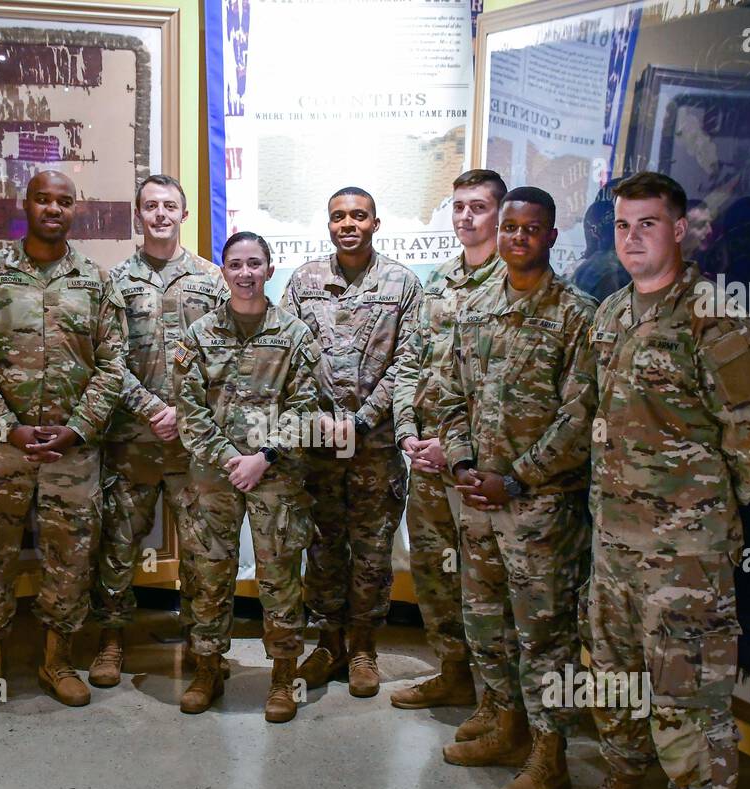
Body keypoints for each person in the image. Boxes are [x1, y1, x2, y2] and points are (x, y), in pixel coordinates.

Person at [542, 172, 750, 789]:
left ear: (680, 229)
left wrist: (706, 508)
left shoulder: (714, 319)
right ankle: (621, 788)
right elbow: (584, 410)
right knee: (612, 678)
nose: (632, 238)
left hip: (684, 555)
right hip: (613, 543)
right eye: (622, 226)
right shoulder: (612, 313)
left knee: (687, 694)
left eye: (648, 224)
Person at [436, 186, 597, 789]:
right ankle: (504, 725)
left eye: (532, 229)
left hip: (541, 510)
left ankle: (549, 754)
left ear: (553, 237)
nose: (518, 238)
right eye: (510, 228)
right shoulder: (476, 311)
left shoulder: (578, 316)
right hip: (479, 501)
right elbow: (447, 394)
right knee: (486, 624)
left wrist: (520, 477)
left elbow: (581, 417)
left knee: (545, 637)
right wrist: (463, 463)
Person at [0, 169, 126, 714]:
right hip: (2, 453)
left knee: (70, 562)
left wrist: (78, 428)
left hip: (72, 454)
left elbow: (114, 364)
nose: (53, 209)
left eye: (64, 201)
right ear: (25, 205)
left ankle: (57, 661)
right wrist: (10, 426)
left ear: (76, 209)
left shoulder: (96, 281)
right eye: (43, 199)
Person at [173, 232, 322, 723]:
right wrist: (229, 457)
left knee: (279, 577)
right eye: (235, 264)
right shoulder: (199, 336)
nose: (244, 273)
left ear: (269, 269)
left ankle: (282, 676)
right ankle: (208, 668)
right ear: (223, 271)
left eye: (254, 263)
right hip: (215, 478)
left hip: (275, 477)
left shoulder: (295, 335)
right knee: (208, 575)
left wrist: (264, 456)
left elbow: (308, 407)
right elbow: (189, 409)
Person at [89, 174, 229, 687]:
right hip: (133, 438)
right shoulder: (115, 280)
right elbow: (106, 358)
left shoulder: (212, 279)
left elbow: (225, 357)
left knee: (201, 546)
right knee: (118, 543)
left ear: (184, 214)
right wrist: (151, 407)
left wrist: (186, 414)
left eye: (170, 206)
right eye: (151, 206)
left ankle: (202, 641)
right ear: (139, 215)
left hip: (195, 442)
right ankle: (110, 640)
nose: (161, 215)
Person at [284, 187, 422, 697]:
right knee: (322, 547)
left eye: (358, 216)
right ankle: (327, 644)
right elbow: (288, 353)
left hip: (376, 448)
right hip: (319, 448)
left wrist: (363, 419)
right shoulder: (303, 282)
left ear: (375, 223)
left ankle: (363, 646)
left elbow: (410, 362)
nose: (348, 224)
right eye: (339, 216)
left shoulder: (402, 284)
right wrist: (318, 420)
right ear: (328, 224)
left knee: (371, 551)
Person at [389, 168, 508, 714]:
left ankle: (500, 698)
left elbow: (512, 395)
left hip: (483, 469)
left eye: (478, 207)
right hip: (428, 461)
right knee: (435, 570)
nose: (466, 216)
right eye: (458, 206)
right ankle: (453, 672)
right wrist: (409, 434)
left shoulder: (515, 284)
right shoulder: (436, 283)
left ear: (500, 214)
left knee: (490, 582)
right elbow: (408, 363)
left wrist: (457, 450)